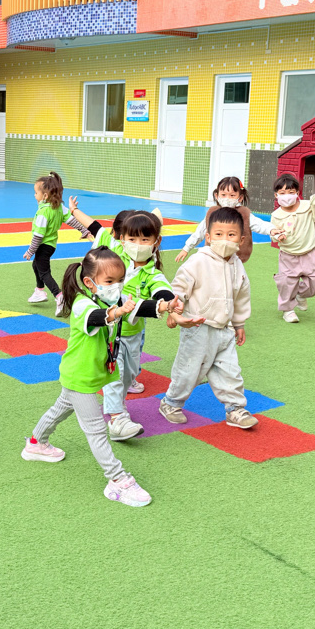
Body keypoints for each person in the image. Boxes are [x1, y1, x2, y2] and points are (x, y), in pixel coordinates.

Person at [21, 247, 152, 507]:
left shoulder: (108, 298)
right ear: (90, 282)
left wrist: (165, 306)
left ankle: (35, 443)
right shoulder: (83, 304)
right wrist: (117, 313)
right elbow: (98, 318)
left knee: (60, 409)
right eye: (110, 281)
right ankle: (117, 479)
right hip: (79, 377)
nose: (117, 286)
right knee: (96, 430)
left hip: (85, 375)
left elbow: (137, 307)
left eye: (120, 280)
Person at [68, 202, 199, 440]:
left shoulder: (152, 273)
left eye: (145, 240)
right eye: (132, 239)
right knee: (115, 376)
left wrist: (171, 305)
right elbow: (96, 228)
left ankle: (116, 407)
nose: (138, 245)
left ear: (156, 242)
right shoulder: (115, 252)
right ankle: (117, 418)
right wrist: (75, 211)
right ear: (122, 239)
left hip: (133, 334)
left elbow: (162, 290)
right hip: (108, 331)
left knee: (128, 375)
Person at [159, 206, 260, 429]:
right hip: (198, 327)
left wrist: (239, 323)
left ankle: (235, 408)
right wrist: (174, 310)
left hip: (224, 329)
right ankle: (171, 402)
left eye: (231, 235)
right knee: (189, 370)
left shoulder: (237, 265)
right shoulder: (198, 261)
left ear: (241, 239)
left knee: (230, 371)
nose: (225, 239)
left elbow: (241, 295)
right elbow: (180, 286)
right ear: (208, 236)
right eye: (219, 234)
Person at [23, 171, 89, 315]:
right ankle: (39, 291)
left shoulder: (43, 213)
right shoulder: (59, 207)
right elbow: (72, 221)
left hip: (42, 246)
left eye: (36, 193)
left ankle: (59, 296)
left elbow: (38, 236)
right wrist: (84, 230)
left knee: (44, 273)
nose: (34, 195)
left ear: (45, 196)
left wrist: (30, 251)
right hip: (51, 246)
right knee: (36, 265)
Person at [176, 176, 281, 264]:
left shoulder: (244, 214)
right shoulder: (212, 213)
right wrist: (186, 248)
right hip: (213, 257)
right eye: (223, 195)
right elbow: (200, 231)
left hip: (235, 259)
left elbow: (259, 224)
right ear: (217, 196)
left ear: (240, 198)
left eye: (232, 195)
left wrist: (271, 230)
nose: (227, 198)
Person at [270, 173, 315, 323]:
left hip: (308, 253)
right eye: (282, 193)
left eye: (291, 192)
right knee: (287, 283)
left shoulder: (306, 206)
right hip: (288, 255)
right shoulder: (276, 215)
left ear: (297, 193)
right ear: (276, 195)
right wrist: (277, 237)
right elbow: (273, 233)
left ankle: (300, 295)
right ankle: (288, 310)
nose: (287, 196)